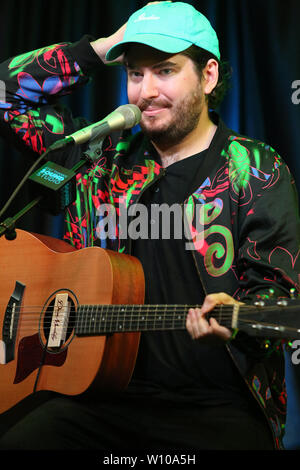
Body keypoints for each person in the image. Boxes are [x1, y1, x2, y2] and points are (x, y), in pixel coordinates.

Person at [0, 1, 299, 451]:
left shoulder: (254, 169)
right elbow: (7, 93)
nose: (145, 92)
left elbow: (287, 298)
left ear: (209, 75)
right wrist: (100, 49)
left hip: (216, 406)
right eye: (135, 73)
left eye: (164, 71)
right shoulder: (96, 159)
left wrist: (235, 319)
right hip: (101, 400)